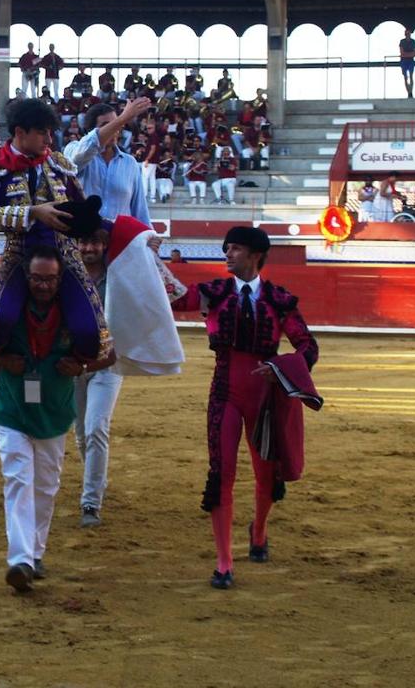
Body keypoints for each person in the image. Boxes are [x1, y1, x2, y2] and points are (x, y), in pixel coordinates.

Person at [171, 227, 318, 590]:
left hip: (266, 398)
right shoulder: (214, 293)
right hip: (225, 392)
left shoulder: (279, 299)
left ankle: (260, 531)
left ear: (255, 255)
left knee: (267, 474)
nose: (228, 254)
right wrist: (147, 255)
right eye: (227, 248)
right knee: (221, 474)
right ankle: (224, 561)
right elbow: (171, 297)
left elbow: (307, 346)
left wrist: (281, 368)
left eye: (235, 249)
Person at [0, 247, 103, 592]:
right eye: (37, 278)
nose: (43, 285)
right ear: (27, 278)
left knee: (45, 487)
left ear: (59, 279)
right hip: (12, 410)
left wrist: (82, 367)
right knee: (18, 479)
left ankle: (35, 554)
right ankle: (20, 559)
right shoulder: (6, 312)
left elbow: (108, 354)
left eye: (50, 279)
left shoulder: (74, 313)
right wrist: (2, 360)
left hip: (54, 412)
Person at [0, 99, 111, 362]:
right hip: (19, 255)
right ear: (20, 132)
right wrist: (33, 212)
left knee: (91, 332)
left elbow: (80, 211)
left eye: (50, 131)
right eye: (42, 132)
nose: (49, 138)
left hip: (65, 254)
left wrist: (93, 219)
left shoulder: (59, 164)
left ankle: (66, 368)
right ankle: (7, 369)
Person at [63, 99, 154, 224]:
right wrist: (122, 118)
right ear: (90, 130)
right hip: (86, 240)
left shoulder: (130, 163)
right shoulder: (72, 149)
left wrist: (148, 236)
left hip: (121, 239)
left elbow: (139, 209)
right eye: (107, 125)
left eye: (116, 124)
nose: (115, 129)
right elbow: (81, 154)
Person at [398, 29, 415, 98]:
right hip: (404, 61)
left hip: (410, 60)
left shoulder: (413, 41)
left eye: (408, 33)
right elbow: (402, 53)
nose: (407, 35)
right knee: (405, 77)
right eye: (406, 34)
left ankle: (410, 91)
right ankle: (409, 92)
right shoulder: (402, 41)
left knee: (411, 76)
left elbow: (414, 53)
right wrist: (409, 54)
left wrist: (406, 54)